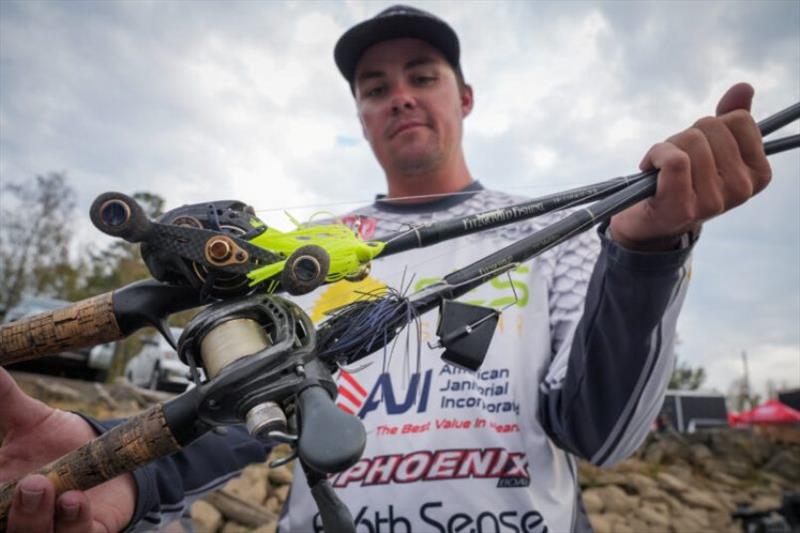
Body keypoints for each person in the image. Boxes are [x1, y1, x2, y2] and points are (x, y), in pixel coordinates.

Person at [0, 5, 771, 532]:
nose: (400, 96)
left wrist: (645, 251)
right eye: (376, 88)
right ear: (360, 117)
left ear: (464, 97)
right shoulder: (308, 250)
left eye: (422, 75)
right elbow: (244, 416)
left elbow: (600, 432)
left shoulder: (563, 228)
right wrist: (120, 466)